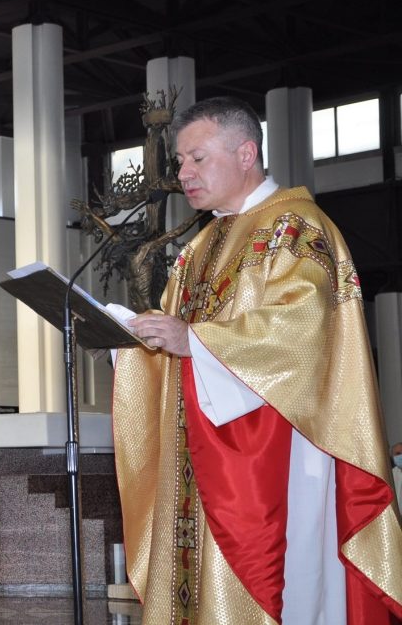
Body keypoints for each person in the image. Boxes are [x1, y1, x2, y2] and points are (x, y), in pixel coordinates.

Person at [112, 96, 402, 624]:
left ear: (246, 154)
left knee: (290, 584)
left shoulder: (295, 227)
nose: (183, 173)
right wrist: (130, 341)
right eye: (180, 161)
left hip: (280, 448)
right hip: (199, 451)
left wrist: (195, 341)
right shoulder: (200, 247)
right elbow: (176, 340)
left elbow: (303, 329)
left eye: (197, 158)